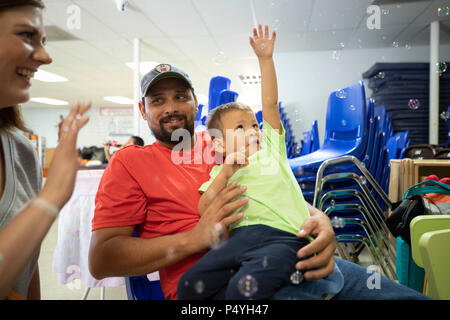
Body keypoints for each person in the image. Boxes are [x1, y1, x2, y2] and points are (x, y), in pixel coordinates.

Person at [89, 40, 428, 301]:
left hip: (295, 254)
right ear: (142, 110)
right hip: (221, 288)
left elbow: (272, 187)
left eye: (180, 96)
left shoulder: (231, 140)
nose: (172, 107)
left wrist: (320, 222)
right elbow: (102, 259)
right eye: (157, 100)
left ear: (195, 102)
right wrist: (195, 238)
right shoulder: (130, 162)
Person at [177, 25, 317, 300]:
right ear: (219, 144)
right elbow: (204, 208)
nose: (253, 130)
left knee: (243, 290)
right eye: (240, 128)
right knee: (188, 286)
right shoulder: (220, 170)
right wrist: (226, 173)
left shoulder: (271, 148)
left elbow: (271, 104)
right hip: (240, 240)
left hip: (285, 236)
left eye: (254, 124)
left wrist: (265, 60)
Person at [0, 0, 90, 299]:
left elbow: (27, 265)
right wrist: (51, 198)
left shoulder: (20, 151)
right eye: (27, 36)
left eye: (43, 41)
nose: (45, 56)